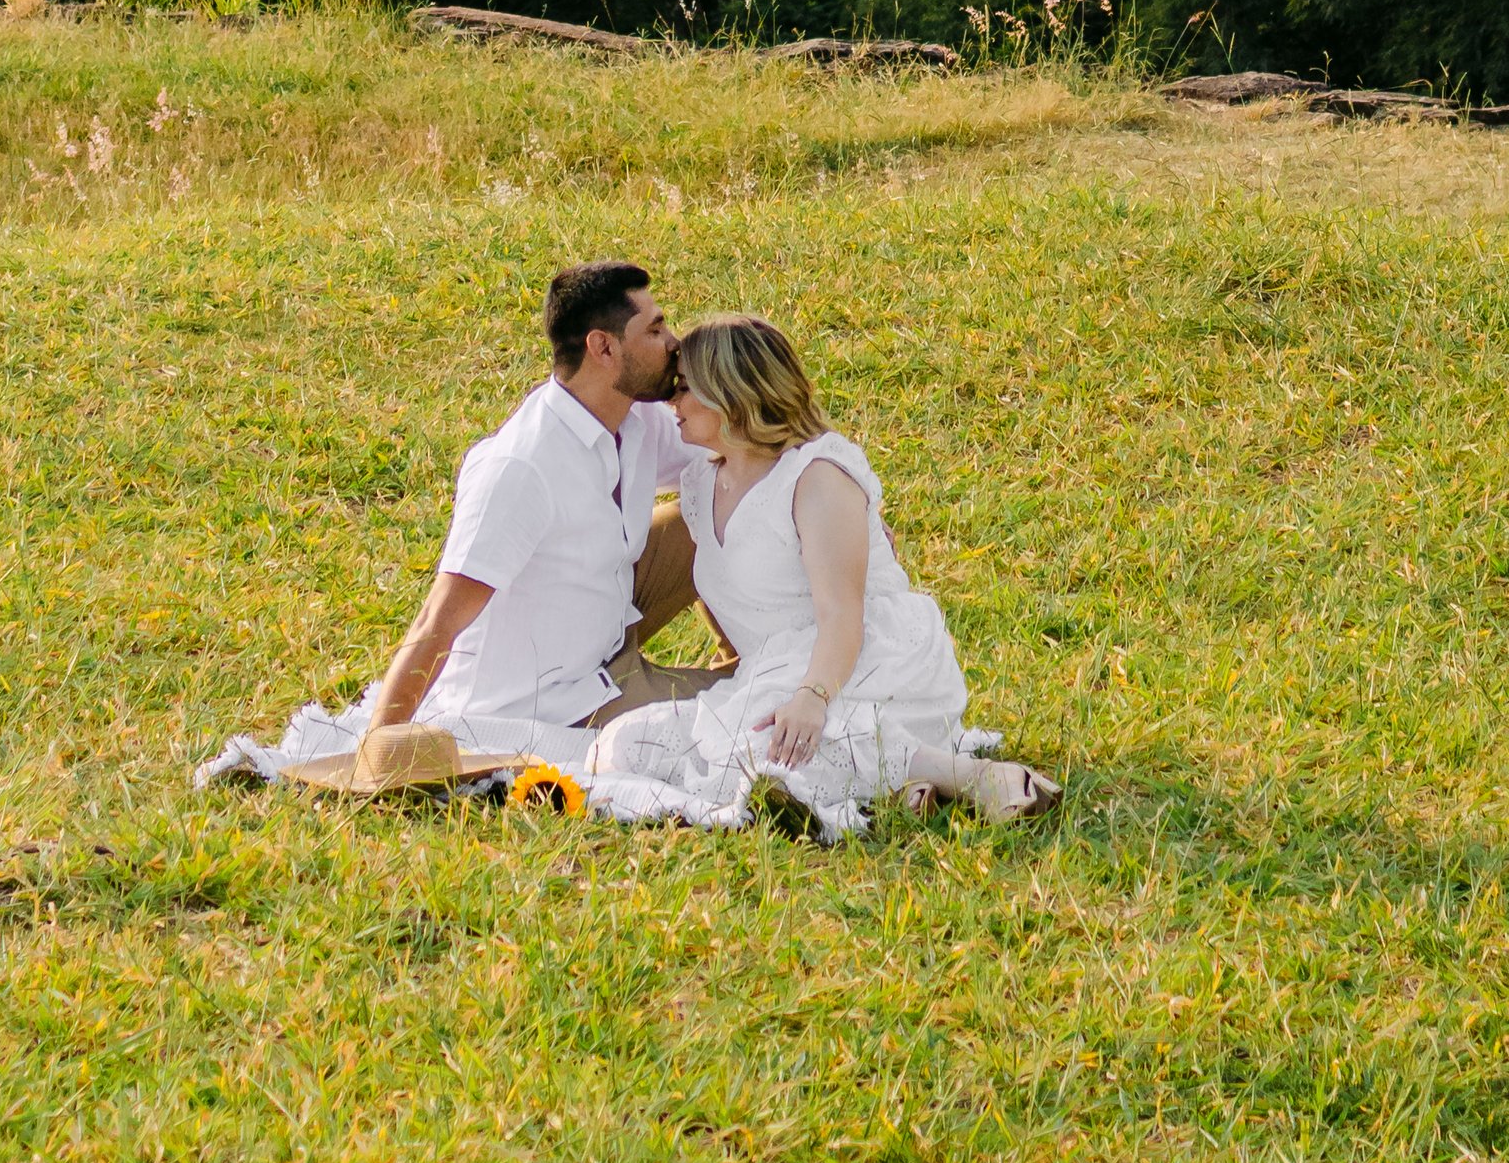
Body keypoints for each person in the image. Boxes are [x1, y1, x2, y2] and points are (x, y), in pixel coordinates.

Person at [196, 262, 735, 792]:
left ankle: (755, 657)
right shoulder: (522, 468)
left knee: (714, 506)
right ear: (604, 348)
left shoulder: (635, 420)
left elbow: (741, 452)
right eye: (656, 329)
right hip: (557, 696)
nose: (674, 343)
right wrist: (379, 755)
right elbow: (438, 622)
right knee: (743, 718)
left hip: (607, 623)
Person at [590, 314, 1057, 833]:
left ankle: (977, 777)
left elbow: (842, 615)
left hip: (865, 657)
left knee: (765, 741)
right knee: (632, 744)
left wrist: (812, 698)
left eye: (684, 389)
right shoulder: (702, 482)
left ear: (730, 394)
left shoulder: (818, 476)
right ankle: (900, 787)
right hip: (780, 666)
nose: (671, 404)